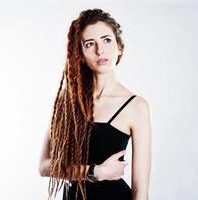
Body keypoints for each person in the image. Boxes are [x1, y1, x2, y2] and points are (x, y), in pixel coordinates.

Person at [39, 8, 152, 200]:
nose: (100, 50)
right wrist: (95, 172)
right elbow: (44, 166)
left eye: (107, 40)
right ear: (80, 54)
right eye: (90, 44)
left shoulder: (136, 106)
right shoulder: (67, 100)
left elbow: (141, 191)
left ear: (119, 47)